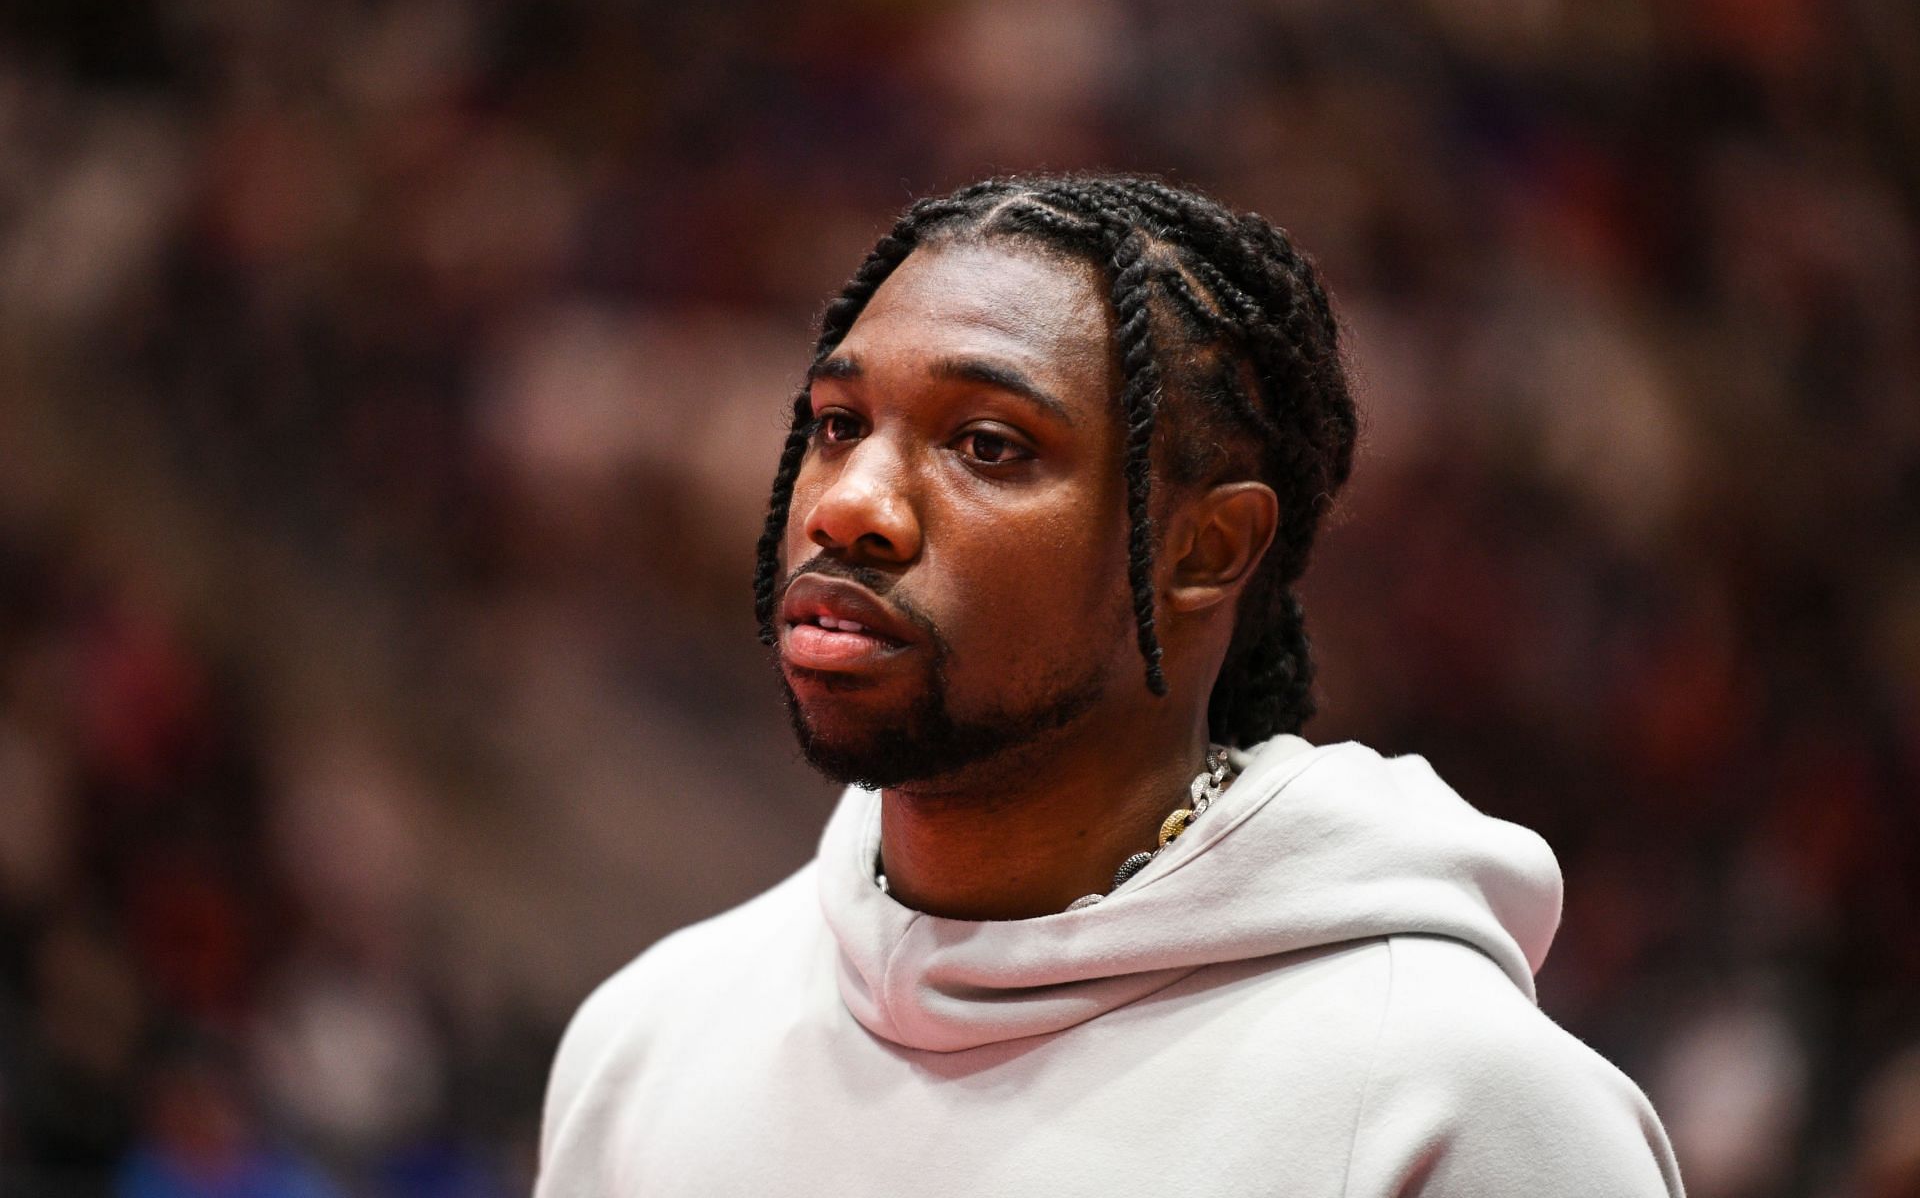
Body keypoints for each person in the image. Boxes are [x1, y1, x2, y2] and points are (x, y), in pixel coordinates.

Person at [534, 175, 1686, 1195]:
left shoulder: (1457, 1103)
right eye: (837, 424)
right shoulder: (650, 1037)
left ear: (1204, 549)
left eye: (987, 443)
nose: (850, 503)